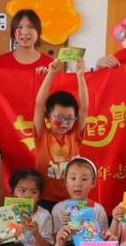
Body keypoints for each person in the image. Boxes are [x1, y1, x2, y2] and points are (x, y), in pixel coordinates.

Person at [34, 58, 89, 203]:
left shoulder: (74, 135)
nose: (64, 123)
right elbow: (39, 105)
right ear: (47, 116)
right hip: (44, 199)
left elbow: (84, 108)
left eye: (69, 118)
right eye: (59, 117)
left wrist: (80, 76)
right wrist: (51, 73)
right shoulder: (42, 134)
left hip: (71, 199)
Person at [50, 158, 109, 237]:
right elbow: (54, 241)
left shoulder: (98, 210)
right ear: (65, 182)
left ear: (93, 183)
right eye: (73, 178)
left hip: (90, 245)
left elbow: (104, 239)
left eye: (84, 179)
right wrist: (63, 227)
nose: (78, 184)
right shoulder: (58, 209)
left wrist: (86, 225)